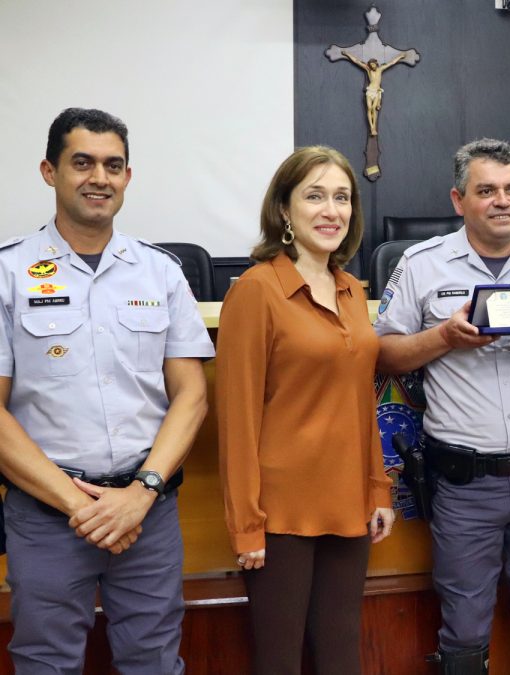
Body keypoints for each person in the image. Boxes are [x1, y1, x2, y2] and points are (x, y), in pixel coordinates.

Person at [374, 138, 510, 675]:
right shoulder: (422, 264)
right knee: (464, 624)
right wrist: (444, 338)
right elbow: (383, 353)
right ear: (459, 200)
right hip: (463, 481)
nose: (502, 201)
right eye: (486, 190)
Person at [0, 107, 214, 672]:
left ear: (127, 176)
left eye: (113, 165)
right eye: (83, 163)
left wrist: (139, 495)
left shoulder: (161, 272)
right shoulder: (9, 273)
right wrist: (82, 508)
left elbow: (192, 396)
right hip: (49, 516)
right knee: (46, 663)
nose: (100, 177)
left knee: (155, 661)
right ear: (49, 171)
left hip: (148, 513)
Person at [216, 145, 395, 674]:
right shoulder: (256, 291)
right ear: (283, 210)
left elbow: (361, 399)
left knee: (342, 658)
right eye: (314, 196)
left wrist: (378, 486)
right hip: (280, 515)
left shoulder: (349, 289)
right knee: (280, 663)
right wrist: (246, 525)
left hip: (349, 504)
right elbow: (237, 419)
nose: (331, 210)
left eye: (341, 197)